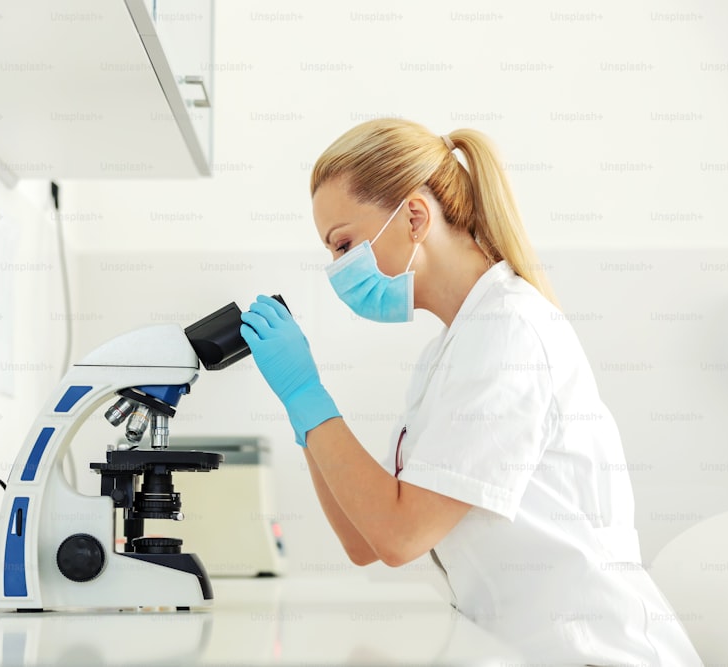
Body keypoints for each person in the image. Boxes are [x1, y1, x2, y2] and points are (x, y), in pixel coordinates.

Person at [239, 119, 702, 665]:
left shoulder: (509, 333)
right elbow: (364, 540)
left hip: (591, 653)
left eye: (343, 244)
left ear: (413, 216)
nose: (338, 270)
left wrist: (307, 393)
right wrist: (301, 409)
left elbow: (399, 535)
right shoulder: (448, 353)